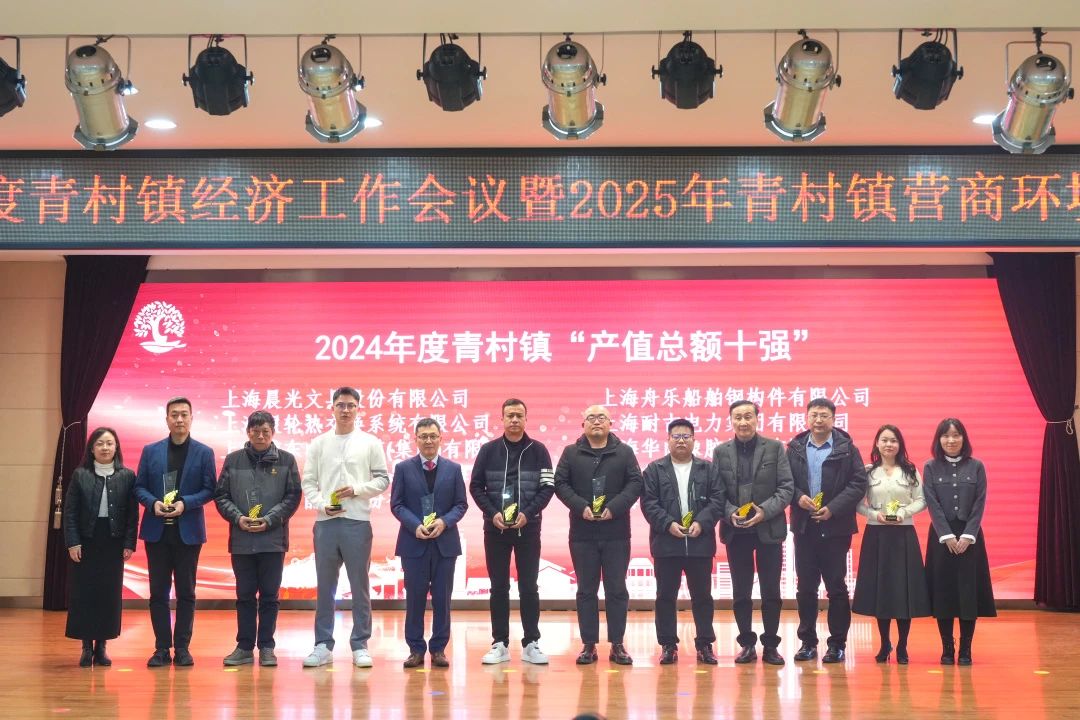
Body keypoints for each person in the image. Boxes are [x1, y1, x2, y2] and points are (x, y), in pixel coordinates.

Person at [300, 386, 390, 668]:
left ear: (358, 409)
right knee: (325, 586)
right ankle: (323, 645)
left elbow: (383, 479)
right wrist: (321, 505)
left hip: (357, 522)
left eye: (351, 405)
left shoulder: (370, 442)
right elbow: (308, 482)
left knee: (359, 585)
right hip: (326, 523)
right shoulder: (319, 443)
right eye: (341, 405)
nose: (346, 410)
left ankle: (360, 644)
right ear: (332, 408)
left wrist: (357, 489)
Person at [554, 404, 643, 666]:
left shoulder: (624, 452)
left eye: (601, 417)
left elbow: (636, 483)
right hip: (582, 533)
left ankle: (617, 644)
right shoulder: (571, 453)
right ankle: (588, 644)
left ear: (610, 423)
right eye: (590, 417)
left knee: (617, 589)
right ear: (583, 424)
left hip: (616, 532)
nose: (596, 421)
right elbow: (560, 483)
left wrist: (613, 508)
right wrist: (580, 506)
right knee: (586, 590)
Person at [469, 398, 555, 665]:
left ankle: (531, 643)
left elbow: (547, 487)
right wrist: (492, 513)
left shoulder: (539, 450)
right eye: (510, 415)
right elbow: (476, 486)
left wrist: (527, 514)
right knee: (498, 587)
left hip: (528, 529)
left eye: (519, 415)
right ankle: (500, 643)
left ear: (526, 419)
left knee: (529, 586)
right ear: (502, 419)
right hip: (495, 529)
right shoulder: (488, 450)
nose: (514, 419)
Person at [134, 396, 217, 667]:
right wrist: (153, 503)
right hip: (156, 531)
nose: (179, 419)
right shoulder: (151, 451)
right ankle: (161, 648)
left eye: (184, 414)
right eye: (174, 415)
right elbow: (139, 487)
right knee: (158, 593)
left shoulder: (204, 452)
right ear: (167, 419)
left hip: (188, 532)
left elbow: (210, 490)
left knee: (186, 593)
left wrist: (185, 503)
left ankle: (182, 647)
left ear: (192, 418)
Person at [214, 411, 302, 667]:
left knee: (269, 596)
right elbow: (221, 496)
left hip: (273, 541)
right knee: (244, 596)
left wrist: (270, 519)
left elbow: (293, 496)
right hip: (241, 541)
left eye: (265, 431)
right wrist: (238, 518)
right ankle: (244, 647)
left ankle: (266, 647)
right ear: (248, 432)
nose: (260, 436)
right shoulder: (233, 460)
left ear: (273, 433)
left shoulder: (286, 460)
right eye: (255, 431)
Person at [787, 397, 868, 664]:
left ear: (834, 419)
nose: (818, 420)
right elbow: (785, 482)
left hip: (836, 528)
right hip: (804, 527)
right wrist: (798, 497)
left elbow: (858, 484)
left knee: (836, 586)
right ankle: (807, 643)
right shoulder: (795, 448)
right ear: (807, 418)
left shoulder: (847, 449)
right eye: (814, 415)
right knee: (806, 587)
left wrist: (833, 508)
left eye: (824, 415)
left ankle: (837, 645)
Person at [713, 401, 794, 666]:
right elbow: (716, 492)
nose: (743, 422)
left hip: (768, 528)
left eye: (748, 416)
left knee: (771, 590)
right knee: (741, 591)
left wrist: (764, 511)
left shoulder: (774, 448)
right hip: (736, 531)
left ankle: (771, 645)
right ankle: (746, 644)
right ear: (731, 421)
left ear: (757, 419)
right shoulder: (721, 452)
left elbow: (786, 487)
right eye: (738, 417)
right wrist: (730, 513)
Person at [640, 419, 723, 665]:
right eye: (676, 436)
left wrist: (702, 523)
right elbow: (649, 503)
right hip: (667, 544)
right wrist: (668, 524)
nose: (681, 441)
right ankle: (668, 645)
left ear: (694, 440)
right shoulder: (654, 470)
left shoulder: (708, 469)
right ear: (668, 440)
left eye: (686, 436)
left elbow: (717, 500)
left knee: (703, 597)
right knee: (665, 596)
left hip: (700, 544)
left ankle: (705, 644)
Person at [391, 418, 468, 669]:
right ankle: (415, 649)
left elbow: (461, 504)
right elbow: (397, 504)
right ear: (415, 439)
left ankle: (438, 649)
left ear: (441, 438)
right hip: (414, 543)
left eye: (433, 436)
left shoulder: (453, 469)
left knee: (442, 599)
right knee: (414, 598)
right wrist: (415, 525)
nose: (428, 441)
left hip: (445, 544)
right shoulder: (403, 468)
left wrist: (444, 522)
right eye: (423, 436)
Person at [852, 424, 932, 664]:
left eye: (894, 440)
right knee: (882, 591)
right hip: (876, 535)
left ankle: (903, 645)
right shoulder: (868, 472)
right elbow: (857, 504)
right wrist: (873, 514)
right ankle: (884, 642)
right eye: (884, 440)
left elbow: (922, 500)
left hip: (903, 535)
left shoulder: (910, 471)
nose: (889, 444)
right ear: (877, 443)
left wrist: (904, 513)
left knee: (903, 591)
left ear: (900, 445)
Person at [922, 418, 995, 666]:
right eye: (946, 436)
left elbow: (980, 502)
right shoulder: (930, 467)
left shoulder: (977, 466)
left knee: (968, 593)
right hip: (941, 538)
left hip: (969, 538)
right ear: (938, 439)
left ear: (964, 438)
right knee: (943, 592)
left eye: (956, 435)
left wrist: (967, 535)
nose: (951, 440)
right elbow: (932, 503)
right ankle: (947, 647)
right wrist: (946, 535)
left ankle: (966, 648)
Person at [63, 427, 138, 667]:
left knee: (108, 595)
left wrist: (129, 543)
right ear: (92, 448)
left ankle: (102, 647)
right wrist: (73, 542)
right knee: (85, 594)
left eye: (109, 443)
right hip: (86, 541)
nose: (105, 448)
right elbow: (70, 512)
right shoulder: (80, 475)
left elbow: (132, 515)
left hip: (113, 542)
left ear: (116, 447)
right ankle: (86, 647)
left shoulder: (127, 476)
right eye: (100, 443)